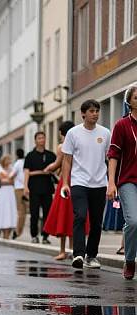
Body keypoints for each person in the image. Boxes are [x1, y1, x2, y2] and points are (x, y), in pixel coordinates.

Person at [61, 99, 111, 270]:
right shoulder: (73, 133)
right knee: (80, 216)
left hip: (99, 183)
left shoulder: (105, 133)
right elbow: (67, 160)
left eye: (97, 111)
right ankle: (78, 255)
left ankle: (91, 256)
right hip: (79, 182)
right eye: (91, 111)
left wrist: (111, 182)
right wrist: (65, 183)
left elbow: (110, 159)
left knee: (97, 222)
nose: (95, 113)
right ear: (83, 114)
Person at [43, 121, 89, 260]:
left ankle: (62, 251)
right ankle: (73, 249)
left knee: (63, 215)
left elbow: (58, 163)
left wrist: (48, 169)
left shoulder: (62, 146)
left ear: (63, 132)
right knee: (74, 215)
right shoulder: (81, 143)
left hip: (66, 181)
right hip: (79, 180)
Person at [107, 84, 137, 280]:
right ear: (129, 101)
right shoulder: (121, 125)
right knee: (133, 221)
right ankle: (130, 260)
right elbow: (113, 155)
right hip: (128, 180)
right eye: (136, 97)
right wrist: (111, 183)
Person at [23, 132, 56, 244]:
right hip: (34, 188)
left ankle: (45, 236)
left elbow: (57, 168)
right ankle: (34, 235)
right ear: (35, 140)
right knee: (34, 213)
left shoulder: (51, 155)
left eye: (43, 138)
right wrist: (25, 187)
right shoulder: (30, 156)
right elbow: (26, 172)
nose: (41, 140)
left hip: (47, 188)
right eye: (39, 138)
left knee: (47, 213)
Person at [0, 154, 17, 239]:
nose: (9, 161)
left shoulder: (12, 169)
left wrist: (8, 180)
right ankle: (4, 232)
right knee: (3, 210)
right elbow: (3, 181)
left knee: (10, 210)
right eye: (7, 160)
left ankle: (8, 233)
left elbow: (12, 181)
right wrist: (8, 180)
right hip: (3, 192)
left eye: (10, 160)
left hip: (11, 191)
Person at [12, 148, 26, 239]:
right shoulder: (26, 162)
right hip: (27, 188)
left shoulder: (17, 164)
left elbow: (12, 175)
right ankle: (20, 231)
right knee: (24, 211)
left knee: (20, 211)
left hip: (19, 188)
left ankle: (17, 231)